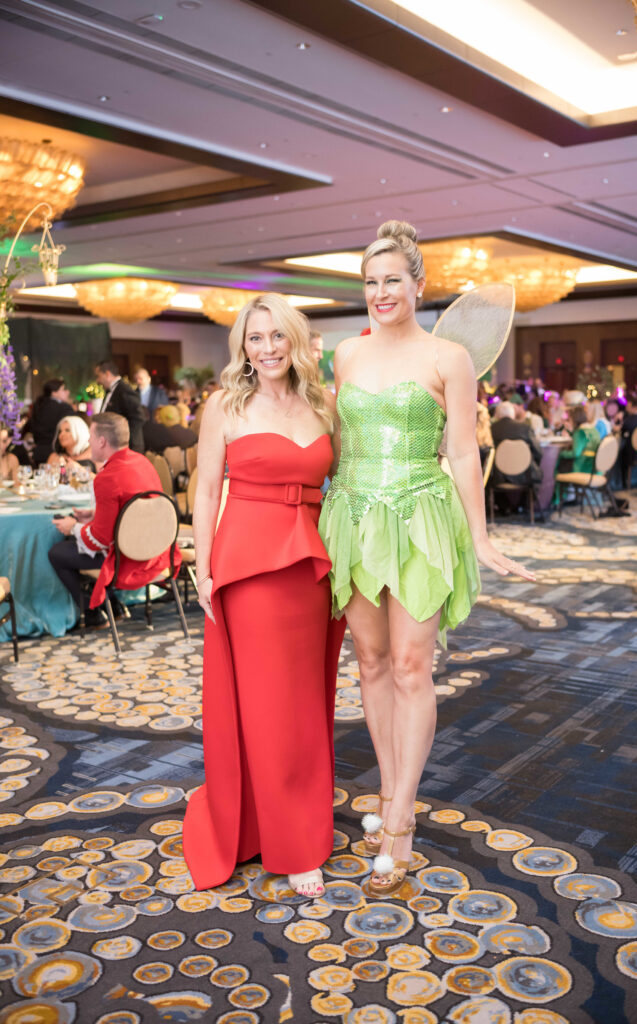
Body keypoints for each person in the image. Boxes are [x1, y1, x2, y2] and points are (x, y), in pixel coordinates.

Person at [318, 221, 534, 899]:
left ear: (418, 285)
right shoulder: (347, 356)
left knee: (412, 666)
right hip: (354, 518)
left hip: (419, 518)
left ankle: (401, 817)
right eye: (371, 282)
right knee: (371, 663)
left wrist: (481, 536)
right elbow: (335, 444)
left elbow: (464, 452)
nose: (381, 292)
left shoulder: (449, 358)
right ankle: (388, 789)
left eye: (393, 280)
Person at [183, 293, 344, 900]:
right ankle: (290, 843)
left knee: (304, 702)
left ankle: (285, 820)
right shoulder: (225, 404)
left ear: (295, 340)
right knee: (266, 703)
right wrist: (203, 569)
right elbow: (205, 493)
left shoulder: (324, 404)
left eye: (277, 335)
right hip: (248, 564)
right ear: (243, 347)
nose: (268, 347)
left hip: (312, 564)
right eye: (256, 338)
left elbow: (344, 484)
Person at [48, 412, 179, 627]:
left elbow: (99, 540)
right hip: (158, 550)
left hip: (129, 559)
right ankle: (114, 606)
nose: (89, 441)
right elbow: (137, 508)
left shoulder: (107, 477)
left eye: (91, 436)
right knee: (71, 544)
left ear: (102, 441)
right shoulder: (142, 461)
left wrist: (73, 527)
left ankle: (93, 612)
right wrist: (94, 514)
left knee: (57, 552)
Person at [490, 400, 543, 492]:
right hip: (525, 476)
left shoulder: (491, 429)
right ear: (513, 414)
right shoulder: (525, 428)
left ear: (497, 415)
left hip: (498, 477)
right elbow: (538, 452)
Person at [95, 361, 145, 453]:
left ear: (107, 374)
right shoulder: (110, 390)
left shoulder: (124, 390)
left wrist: (125, 442)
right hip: (114, 446)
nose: (98, 380)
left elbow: (138, 418)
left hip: (127, 448)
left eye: (98, 376)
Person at [23, 378, 73, 465]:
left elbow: (27, 428)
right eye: (63, 389)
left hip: (38, 453)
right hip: (56, 453)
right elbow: (75, 427)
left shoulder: (38, 406)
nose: (67, 392)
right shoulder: (64, 408)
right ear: (54, 393)